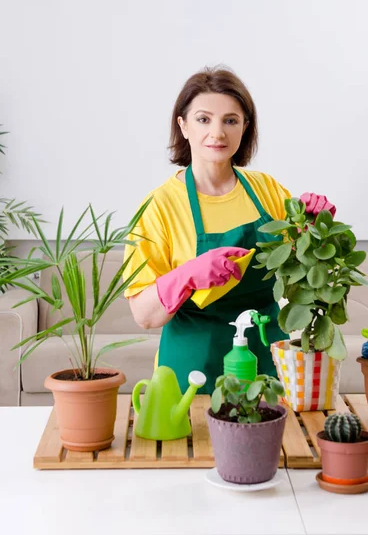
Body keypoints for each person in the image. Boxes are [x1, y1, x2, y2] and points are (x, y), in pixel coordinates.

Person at [123, 66, 333, 394]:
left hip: (266, 359)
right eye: (204, 119)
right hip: (192, 369)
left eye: (230, 120)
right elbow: (145, 316)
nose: (217, 133)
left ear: (245, 126)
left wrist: (315, 232)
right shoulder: (159, 207)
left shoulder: (268, 190)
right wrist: (187, 275)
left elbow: (303, 282)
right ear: (183, 125)